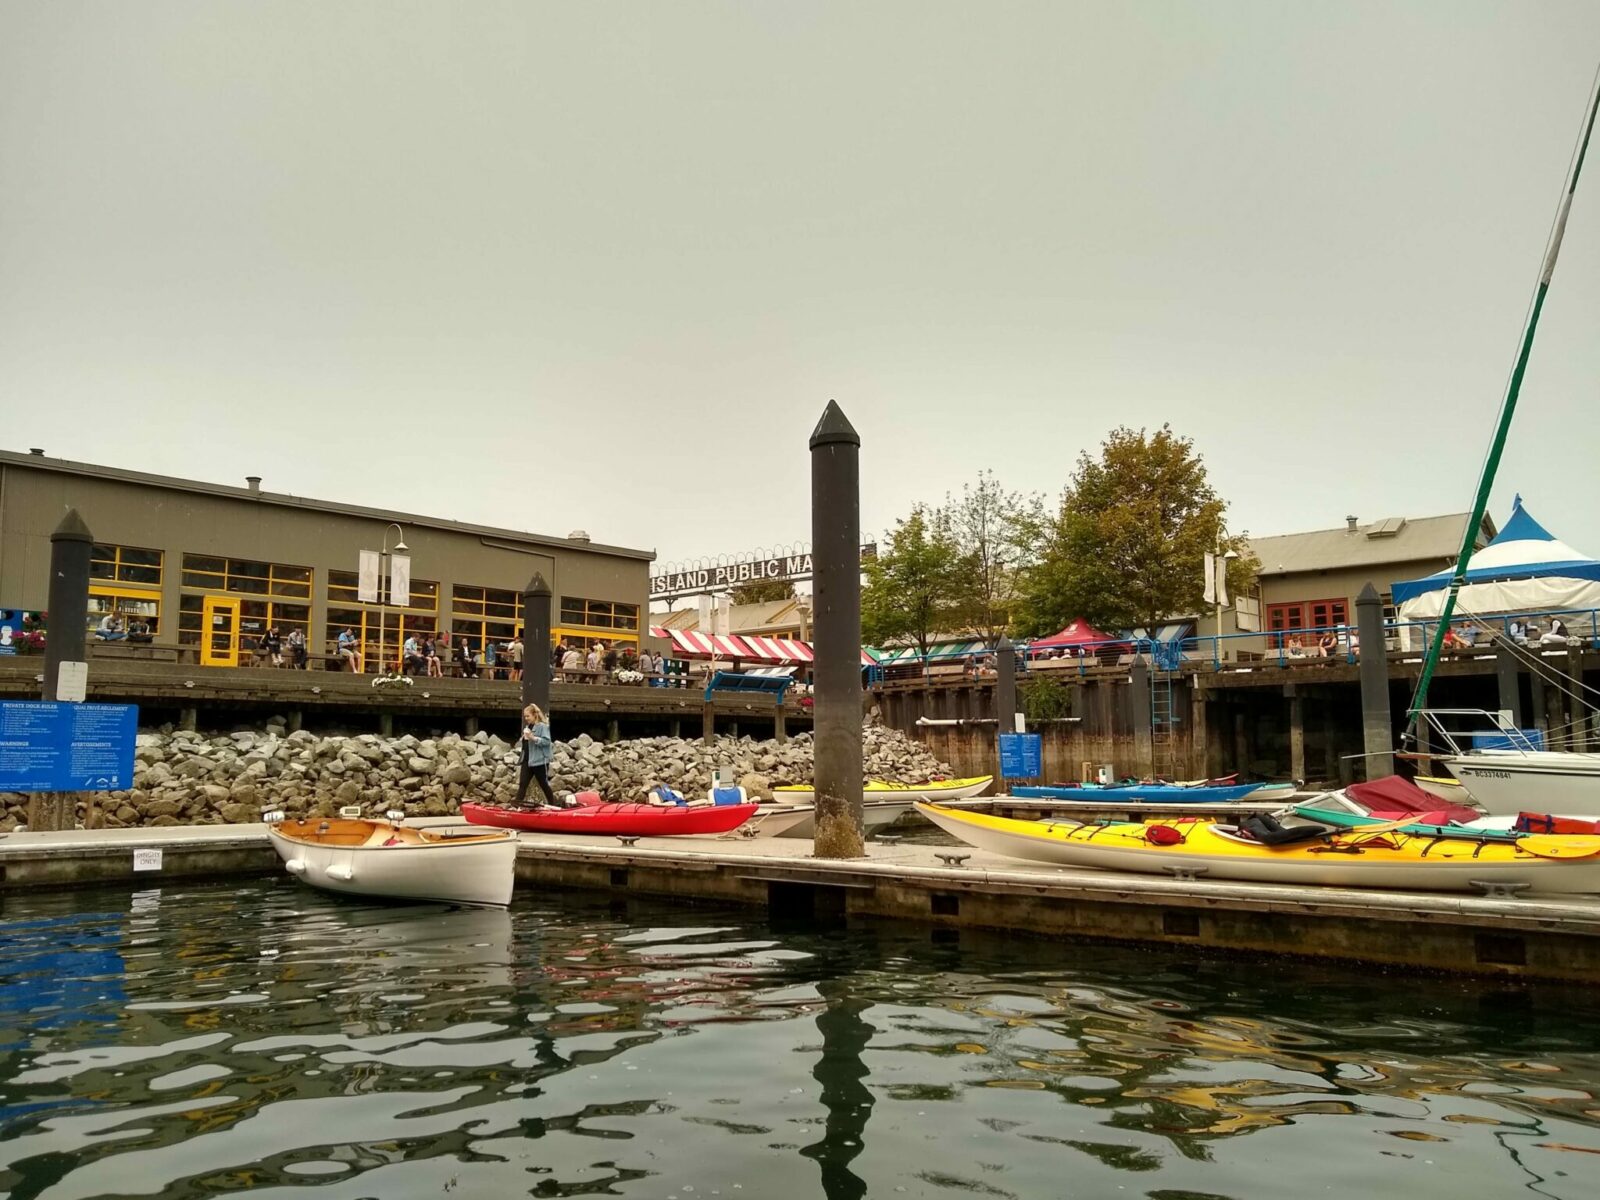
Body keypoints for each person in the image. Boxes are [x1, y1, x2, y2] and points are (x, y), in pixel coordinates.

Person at [514, 703, 557, 807]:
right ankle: (515, 806)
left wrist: (533, 738)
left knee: (544, 785)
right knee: (523, 784)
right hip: (527, 761)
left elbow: (547, 742)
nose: (526, 718)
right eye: (525, 716)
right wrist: (523, 738)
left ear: (534, 715)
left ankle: (554, 805)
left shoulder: (542, 727)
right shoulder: (528, 727)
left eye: (528, 716)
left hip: (540, 761)